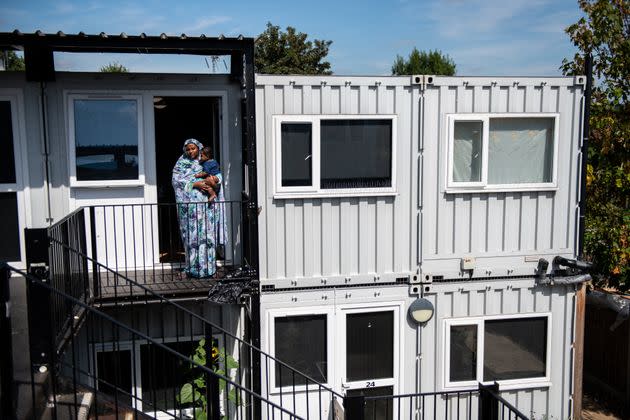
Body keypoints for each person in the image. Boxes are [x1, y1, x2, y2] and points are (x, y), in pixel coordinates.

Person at [171, 138, 222, 278]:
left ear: (199, 148)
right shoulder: (181, 163)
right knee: (191, 237)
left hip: (206, 208)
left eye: (193, 148)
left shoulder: (206, 161)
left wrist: (215, 180)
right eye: (188, 149)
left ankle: (209, 269)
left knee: (207, 236)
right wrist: (195, 184)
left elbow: (218, 175)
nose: (190, 151)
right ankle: (191, 269)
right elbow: (176, 181)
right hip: (189, 209)